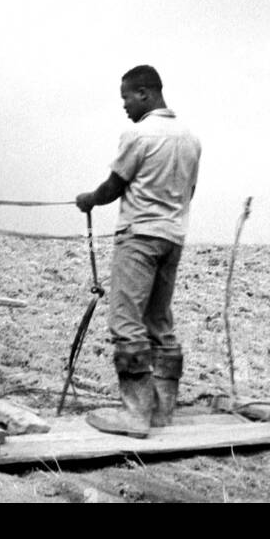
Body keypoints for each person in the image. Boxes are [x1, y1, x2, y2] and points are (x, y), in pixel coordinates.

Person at [75, 64, 201, 434]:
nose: (125, 106)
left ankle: (135, 414)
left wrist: (88, 200)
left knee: (126, 322)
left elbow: (113, 187)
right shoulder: (191, 138)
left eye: (126, 98)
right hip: (173, 237)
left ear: (145, 93)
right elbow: (190, 191)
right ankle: (162, 410)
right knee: (160, 322)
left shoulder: (138, 135)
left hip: (139, 237)